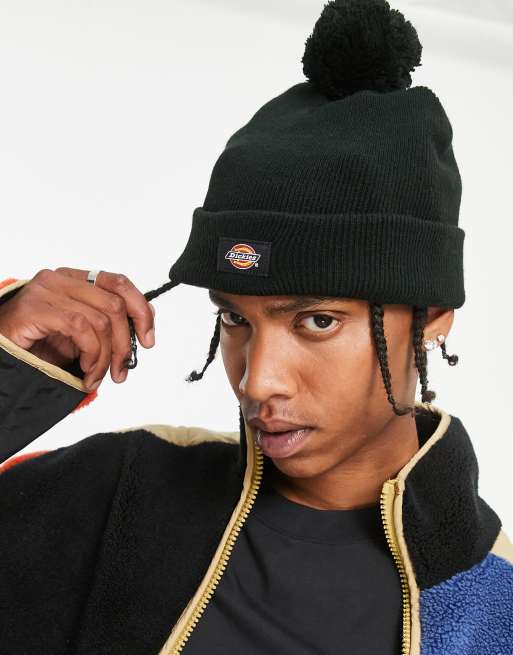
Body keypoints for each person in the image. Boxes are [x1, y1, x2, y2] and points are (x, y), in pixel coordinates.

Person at [0, 1, 512, 654]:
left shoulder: (493, 609)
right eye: (234, 318)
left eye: (317, 321)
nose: (257, 381)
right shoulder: (117, 490)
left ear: (432, 316)